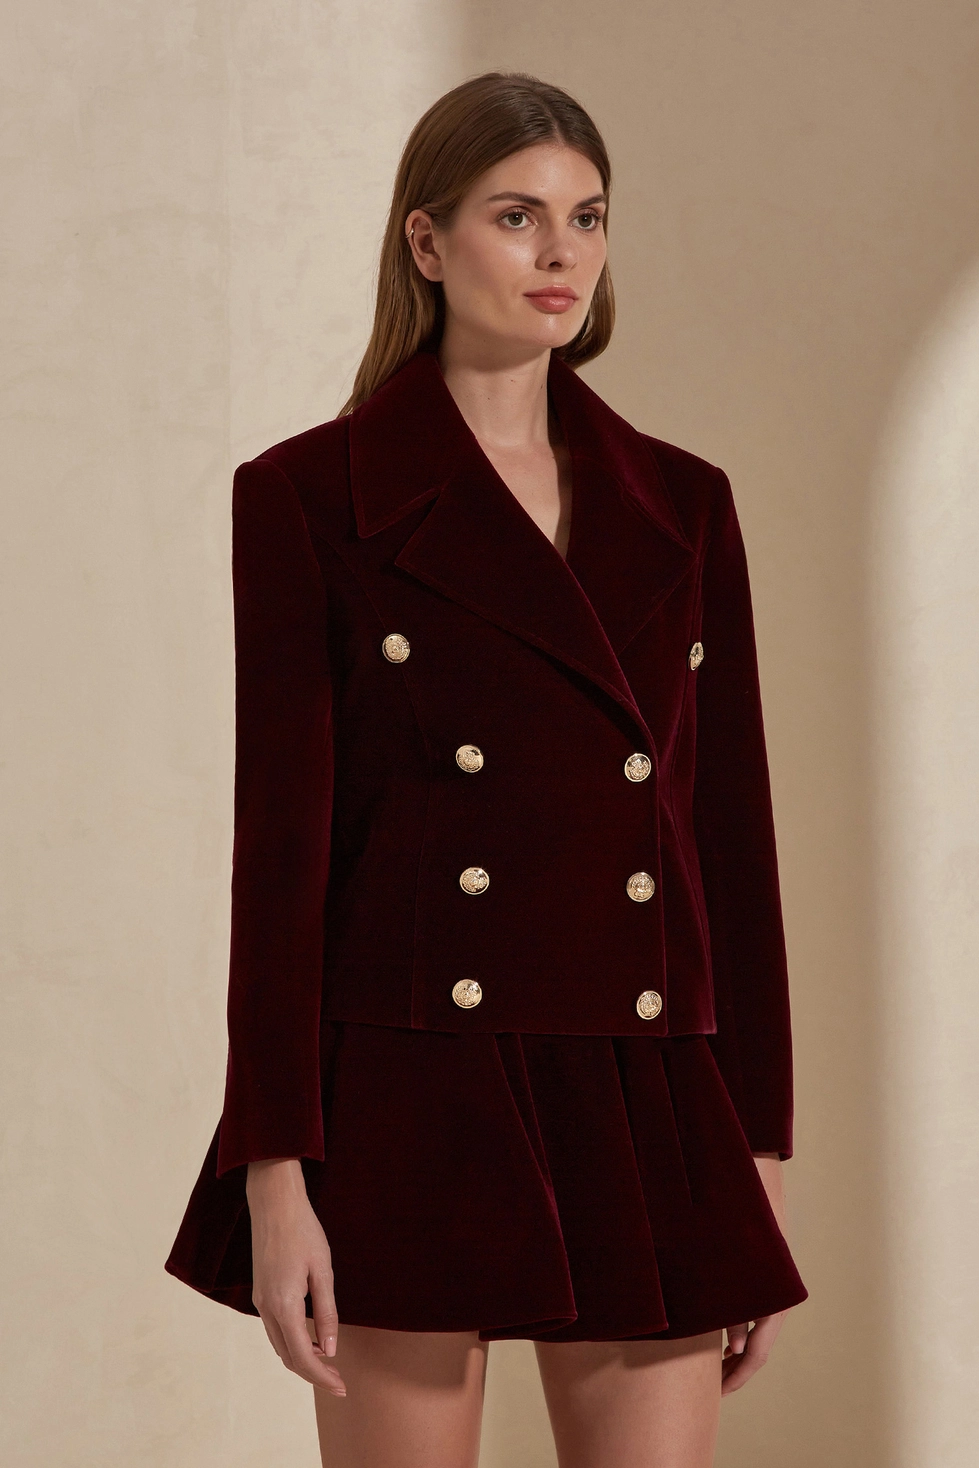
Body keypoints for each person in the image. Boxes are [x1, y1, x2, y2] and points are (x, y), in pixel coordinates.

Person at [165, 70, 809, 1468]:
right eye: (516, 216)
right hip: (407, 1080)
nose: (560, 252)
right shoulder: (307, 498)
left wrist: (754, 1157)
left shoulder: (684, 504)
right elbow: (281, 857)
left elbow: (726, 842)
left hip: (646, 1079)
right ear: (425, 239)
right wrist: (274, 1172)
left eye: (586, 217)